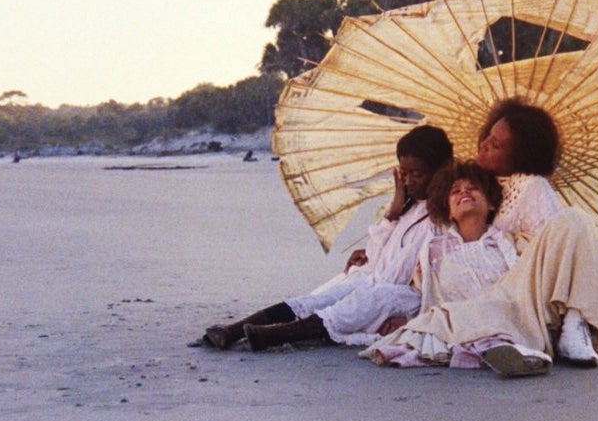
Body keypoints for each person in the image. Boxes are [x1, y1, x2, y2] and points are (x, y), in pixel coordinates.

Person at [362, 98, 598, 377]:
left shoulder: (530, 186)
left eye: (496, 145)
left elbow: (552, 252)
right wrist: (377, 246)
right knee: (462, 312)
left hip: (526, 280)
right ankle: (509, 345)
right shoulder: (484, 185)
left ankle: (574, 322)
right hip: (491, 284)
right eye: (487, 136)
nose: (484, 144)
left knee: (576, 219)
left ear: (520, 157)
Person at [189, 125, 454, 350]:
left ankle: (272, 335)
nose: (408, 182)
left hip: (407, 299)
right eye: (403, 174)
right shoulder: (408, 208)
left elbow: (430, 276)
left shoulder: (447, 216)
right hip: (376, 282)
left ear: (442, 170)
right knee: (323, 298)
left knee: (357, 304)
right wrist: (392, 215)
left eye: (416, 174)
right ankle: (234, 330)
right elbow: (378, 258)